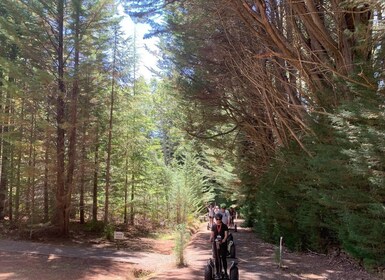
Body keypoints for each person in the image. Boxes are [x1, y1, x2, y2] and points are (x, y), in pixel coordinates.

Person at [210, 212, 229, 279]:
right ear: (215, 219)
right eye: (217, 219)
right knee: (217, 259)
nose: (218, 220)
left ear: (221, 219)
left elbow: (226, 235)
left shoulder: (224, 226)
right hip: (216, 244)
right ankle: (217, 272)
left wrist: (224, 240)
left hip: (223, 244)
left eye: (219, 219)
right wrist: (211, 239)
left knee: (223, 258)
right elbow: (212, 234)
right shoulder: (214, 226)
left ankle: (226, 272)